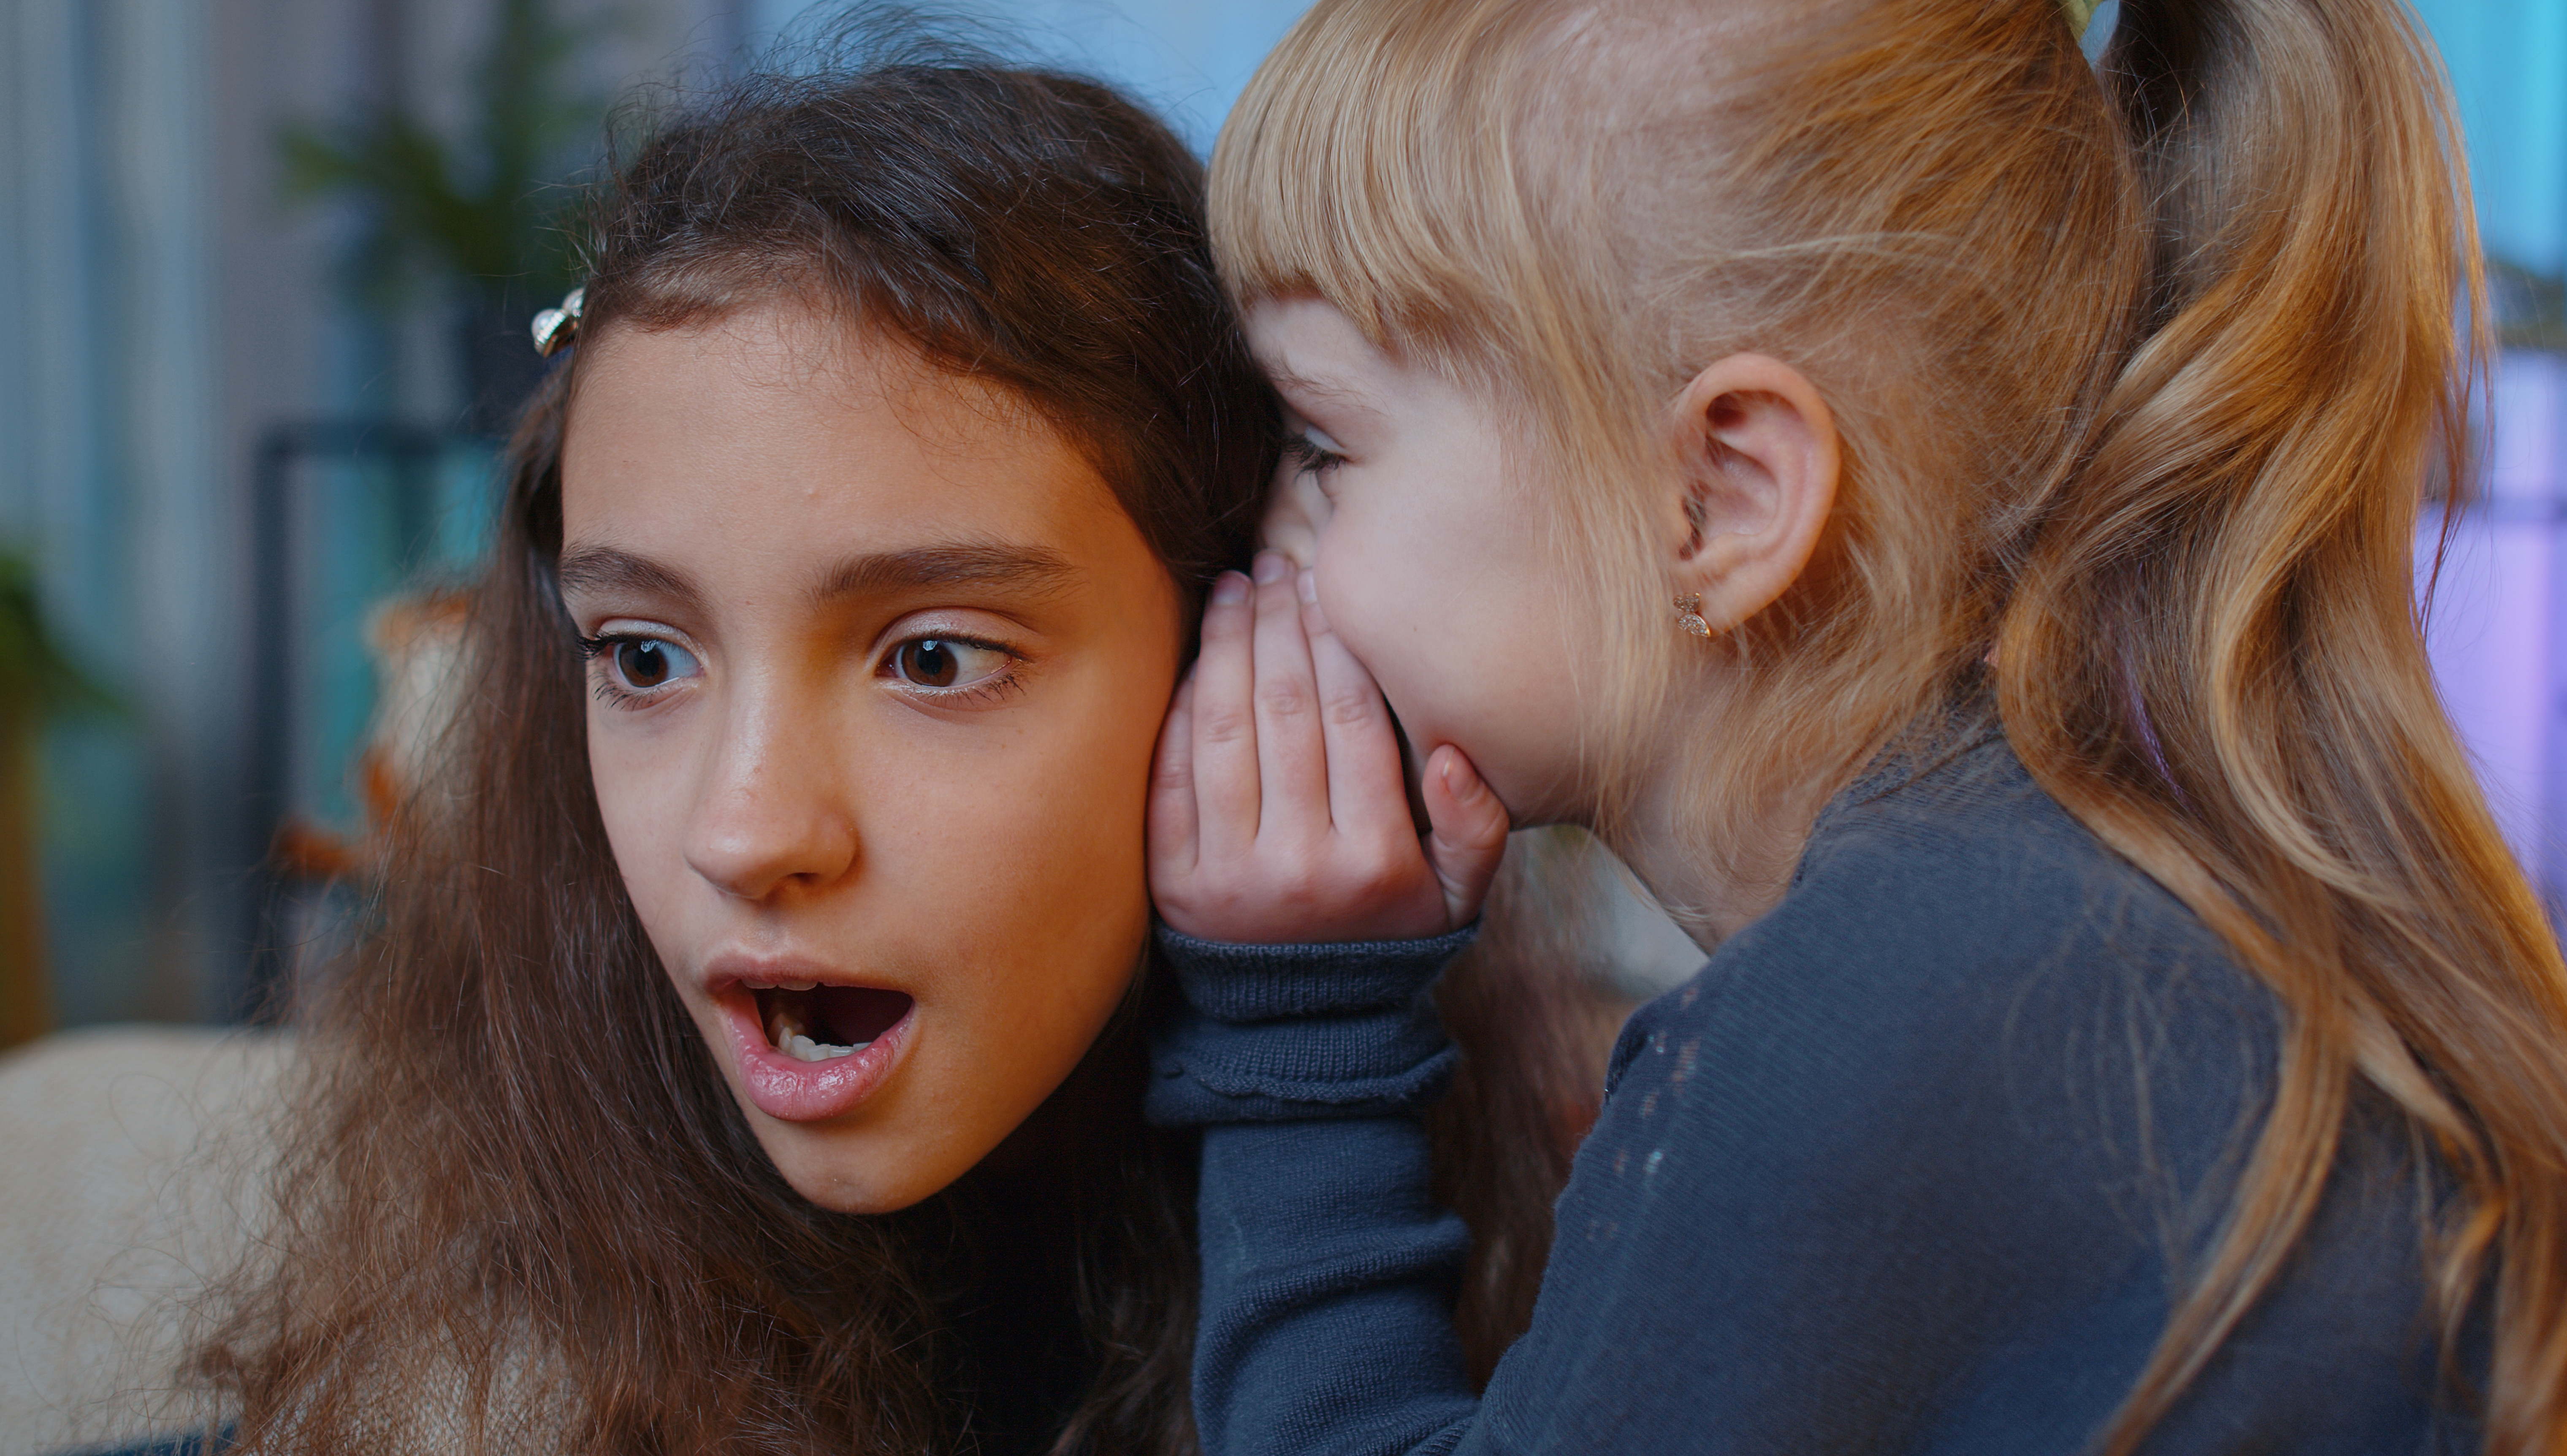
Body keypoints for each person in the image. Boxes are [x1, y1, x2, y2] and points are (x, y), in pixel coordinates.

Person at [1144, 0, 2567, 1451]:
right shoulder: (2046, 914)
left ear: (1719, 500)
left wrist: (1297, 1030)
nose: (1265, 537)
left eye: (1323, 447)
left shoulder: (1887, 1001)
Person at [171, 38, 1600, 1456]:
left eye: (932, 658)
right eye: (644, 657)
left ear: (1257, 667)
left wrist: (1313, 1061)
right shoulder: (475, 1370)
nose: (741, 831)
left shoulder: (1591, 1237)